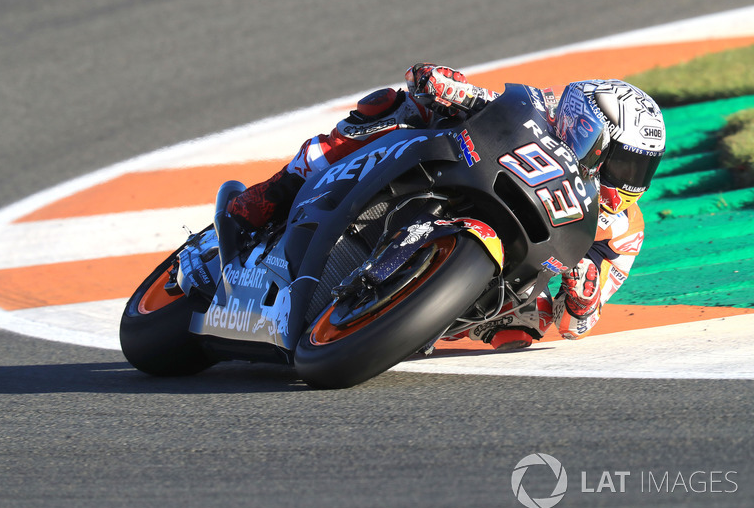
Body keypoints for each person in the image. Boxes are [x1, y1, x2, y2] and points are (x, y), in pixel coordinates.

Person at [226, 64, 667, 349]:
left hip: (501, 283)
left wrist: (585, 290)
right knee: (395, 105)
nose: (630, 180)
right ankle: (277, 191)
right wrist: (450, 86)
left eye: (640, 169)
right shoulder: (542, 110)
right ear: (588, 130)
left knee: (523, 331)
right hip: (470, 177)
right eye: (624, 162)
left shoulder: (624, 229)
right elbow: (487, 102)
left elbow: (577, 326)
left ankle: (403, 312)